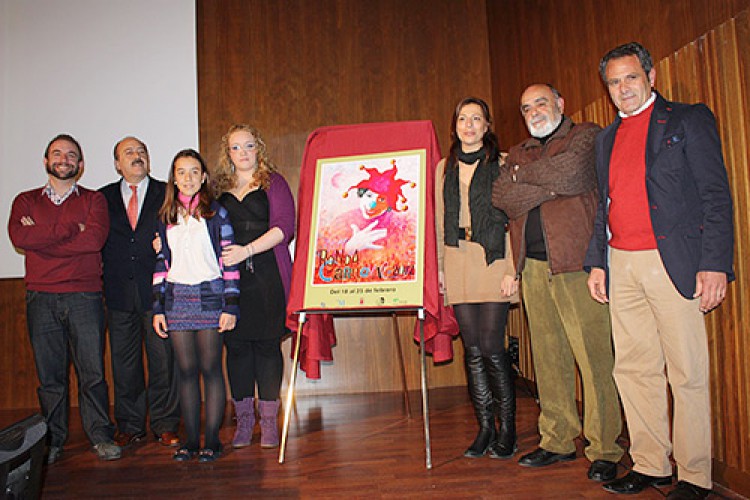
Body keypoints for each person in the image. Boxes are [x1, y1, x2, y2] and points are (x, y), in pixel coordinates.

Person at [585, 42, 734, 499]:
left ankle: (693, 477)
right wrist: (598, 261)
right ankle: (651, 464)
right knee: (633, 369)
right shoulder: (606, 139)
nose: (623, 89)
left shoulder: (687, 120)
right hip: (621, 262)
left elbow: (715, 194)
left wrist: (715, 264)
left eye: (630, 77)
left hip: (675, 263)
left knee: (686, 371)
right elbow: (603, 207)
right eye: (614, 82)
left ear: (650, 75)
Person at [491, 84, 623, 481]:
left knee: (595, 358)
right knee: (548, 359)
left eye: (541, 103)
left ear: (560, 104)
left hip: (577, 265)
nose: (534, 111)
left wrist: (523, 180)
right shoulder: (518, 151)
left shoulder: (584, 136)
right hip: (531, 268)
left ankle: (605, 447)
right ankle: (557, 439)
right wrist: (535, 182)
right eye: (526, 106)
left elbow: (573, 174)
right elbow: (502, 196)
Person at [7, 134, 121, 463]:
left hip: (84, 296)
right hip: (40, 297)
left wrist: (42, 237)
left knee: (93, 374)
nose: (64, 159)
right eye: (57, 153)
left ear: (80, 165)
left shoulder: (94, 201)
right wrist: (71, 228)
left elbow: (94, 240)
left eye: (71, 155)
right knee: (50, 378)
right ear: (46, 161)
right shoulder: (24, 201)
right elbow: (19, 236)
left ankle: (100, 436)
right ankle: (53, 440)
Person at [435, 97, 518, 459]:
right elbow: (440, 222)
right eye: (463, 119)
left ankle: (508, 428)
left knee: (492, 349)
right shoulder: (443, 168)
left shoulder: (502, 164)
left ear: (487, 126)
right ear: (454, 126)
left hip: (494, 258)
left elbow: (515, 219)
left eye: (477, 119)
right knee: (471, 351)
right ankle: (485, 427)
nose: (469, 125)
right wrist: (440, 267)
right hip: (458, 259)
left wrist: (513, 269)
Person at [152, 149, 240, 462]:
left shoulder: (217, 214)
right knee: (185, 372)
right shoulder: (165, 216)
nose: (187, 178)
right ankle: (190, 441)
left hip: (211, 296)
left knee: (211, 369)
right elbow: (162, 264)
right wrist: (158, 308)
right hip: (177, 299)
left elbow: (229, 263)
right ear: (173, 179)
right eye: (181, 172)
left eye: (193, 172)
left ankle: (212, 441)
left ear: (203, 177)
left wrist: (231, 305)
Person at [213, 124, 295, 449]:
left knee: (266, 348)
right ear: (228, 153)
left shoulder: (274, 183)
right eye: (236, 147)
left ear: (257, 148)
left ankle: (270, 425)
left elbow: (284, 229)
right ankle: (244, 423)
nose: (244, 153)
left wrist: (246, 250)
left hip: (267, 276)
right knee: (235, 349)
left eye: (249, 146)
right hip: (229, 283)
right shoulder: (217, 188)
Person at [99, 136, 180, 448]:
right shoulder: (101, 198)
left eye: (141, 151)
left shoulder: (167, 192)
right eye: (128, 153)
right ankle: (131, 425)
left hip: (158, 293)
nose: (137, 156)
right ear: (118, 164)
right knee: (124, 365)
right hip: (118, 293)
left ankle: (165, 424)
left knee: (163, 363)